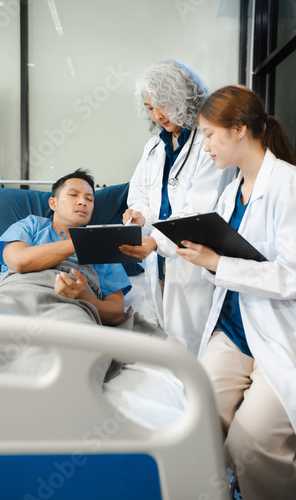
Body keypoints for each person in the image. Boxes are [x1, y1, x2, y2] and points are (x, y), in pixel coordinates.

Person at [176, 85, 296, 500]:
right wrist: (201, 255)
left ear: (239, 129)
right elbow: (228, 264)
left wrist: (216, 262)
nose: (204, 145)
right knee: (196, 419)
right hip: (233, 328)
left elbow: (292, 277)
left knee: (251, 442)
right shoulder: (231, 192)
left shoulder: (289, 186)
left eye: (209, 134)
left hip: (278, 333)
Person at [120, 59, 235, 354]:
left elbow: (199, 210)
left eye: (162, 104)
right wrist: (138, 216)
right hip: (157, 258)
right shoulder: (155, 147)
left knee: (194, 341)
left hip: (192, 259)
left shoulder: (208, 143)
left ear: (181, 97)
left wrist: (154, 242)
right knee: (168, 334)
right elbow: (139, 193)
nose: (157, 115)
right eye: (149, 108)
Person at [0, 169, 131, 327]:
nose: (82, 202)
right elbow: (19, 261)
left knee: (79, 351)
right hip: (12, 297)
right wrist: (82, 241)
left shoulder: (102, 246)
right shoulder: (30, 226)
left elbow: (116, 313)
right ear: (53, 203)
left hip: (71, 308)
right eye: (73, 195)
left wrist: (87, 299)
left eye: (89, 199)